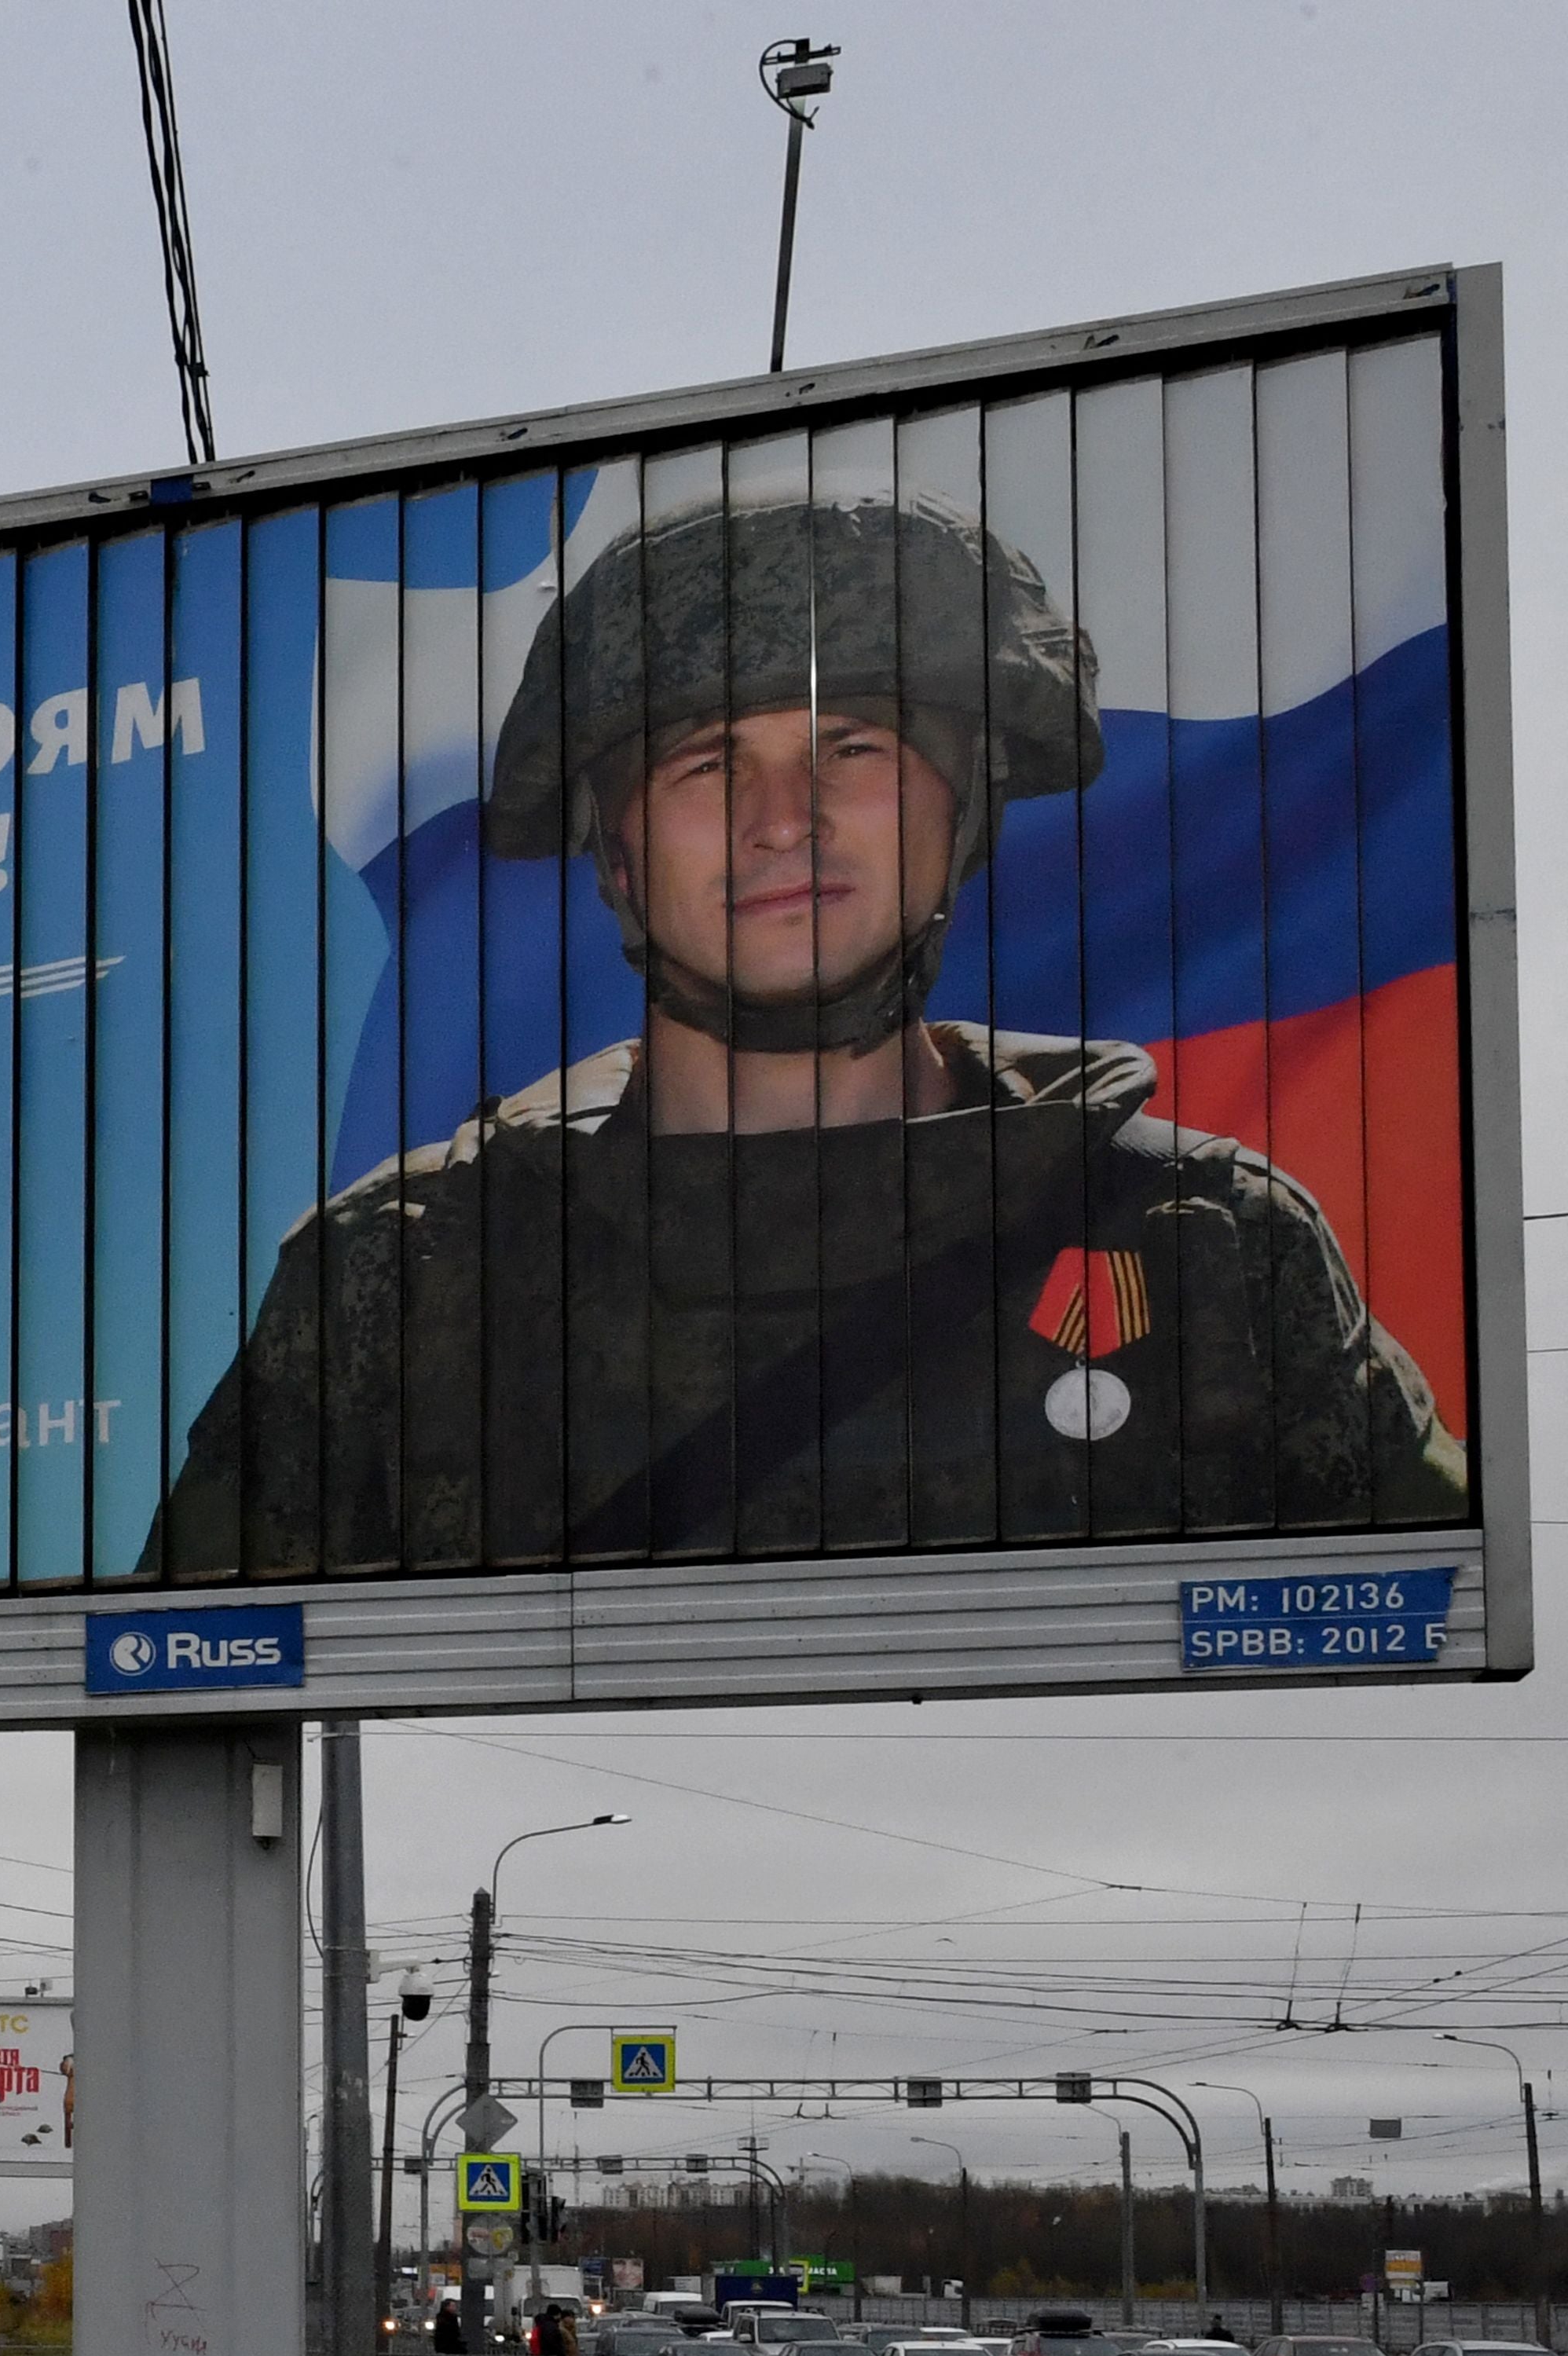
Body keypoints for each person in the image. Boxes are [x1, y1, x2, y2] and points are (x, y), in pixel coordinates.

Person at [150, 487, 1466, 1576]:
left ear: (959, 816)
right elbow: (183, 1661)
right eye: (704, 765)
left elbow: (1421, 1613)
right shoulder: (398, 1278)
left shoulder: (1208, 1247)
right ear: (611, 854)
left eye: (851, 748)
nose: (782, 817)